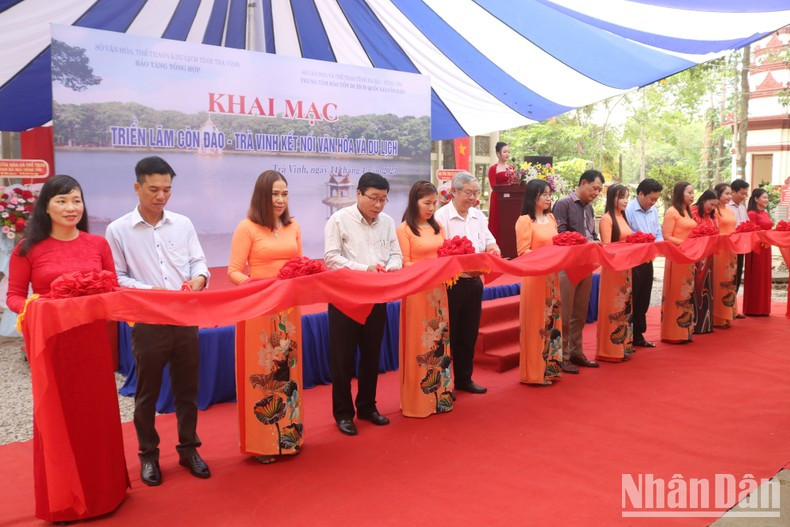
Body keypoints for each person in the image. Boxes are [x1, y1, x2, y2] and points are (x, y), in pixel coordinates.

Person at [8, 175, 128, 521]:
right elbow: (14, 296)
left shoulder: (97, 244)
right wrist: (36, 306)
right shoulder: (28, 248)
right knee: (58, 417)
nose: (71, 208)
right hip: (53, 348)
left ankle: (107, 493)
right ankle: (63, 498)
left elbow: (113, 290)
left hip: (92, 344)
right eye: (61, 201)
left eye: (76, 200)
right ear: (46, 206)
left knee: (97, 416)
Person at [105, 156, 210, 486]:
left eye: (167, 189)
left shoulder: (182, 224)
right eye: (153, 189)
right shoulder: (118, 229)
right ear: (137, 188)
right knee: (147, 394)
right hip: (147, 321)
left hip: (183, 317)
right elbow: (116, 277)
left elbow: (199, 262)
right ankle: (148, 456)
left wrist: (199, 280)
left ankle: (188, 448)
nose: (161, 196)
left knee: (187, 390)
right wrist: (150, 290)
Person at [228, 170, 303, 463]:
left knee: (288, 371)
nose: (280, 200)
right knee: (263, 376)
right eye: (274, 194)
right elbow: (234, 271)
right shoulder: (246, 228)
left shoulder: (293, 225)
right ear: (262, 195)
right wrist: (260, 289)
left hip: (289, 309)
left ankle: (290, 436)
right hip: (258, 310)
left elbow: (299, 263)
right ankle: (263, 443)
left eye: (284, 193)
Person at [324, 172, 403, 436]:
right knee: (342, 360)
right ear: (358, 194)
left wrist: (390, 269)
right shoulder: (338, 220)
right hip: (346, 301)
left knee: (371, 357)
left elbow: (396, 254)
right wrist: (365, 269)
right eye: (373, 198)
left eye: (383, 199)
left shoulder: (388, 222)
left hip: (375, 299)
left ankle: (368, 406)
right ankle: (344, 414)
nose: (378, 205)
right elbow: (331, 258)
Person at [434, 171, 501, 394]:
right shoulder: (441, 217)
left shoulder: (478, 216)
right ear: (453, 192)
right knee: (447, 336)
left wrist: (493, 249)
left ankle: (464, 379)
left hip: (474, 282)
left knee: (468, 334)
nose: (473, 197)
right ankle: (444, 384)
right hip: (451, 284)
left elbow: (489, 239)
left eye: (476, 193)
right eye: (468, 193)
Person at [395, 181, 453, 416]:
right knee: (421, 342)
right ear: (414, 202)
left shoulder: (437, 226)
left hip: (439, 290)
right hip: (417, 292)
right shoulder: (404, 230)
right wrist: (427, 270)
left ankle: (441, 395)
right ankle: (418, 400)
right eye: (426, 203)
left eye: (434, 203)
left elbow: (446, 253)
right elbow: (404, 262)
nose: (431, 208)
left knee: (440, 341)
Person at [551, 169, 604, 373]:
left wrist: (594, 241)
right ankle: (562, 356)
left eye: (599, 190)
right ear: (583, 182)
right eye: (594, 187)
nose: (596, 192)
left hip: (586, 264)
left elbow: (591, 232)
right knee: (565, 312)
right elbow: (561, 233)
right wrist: (585, 242)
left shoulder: (589, 208)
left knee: (580, 313)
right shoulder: (563, 204)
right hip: (567, 265)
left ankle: (576, 351)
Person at [514, 179, 562, 385]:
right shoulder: (525, 220)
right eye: (544, 194)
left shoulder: (551, 218)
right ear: (533, 197)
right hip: (535, 278)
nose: (548, 197)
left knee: (552, 321)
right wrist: (546, 258)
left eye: (549, 194)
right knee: (536, 324)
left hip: (552, 277)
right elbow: (523, 252)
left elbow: (558, 243)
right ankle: (534, 372)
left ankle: (550, 367)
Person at [596, 184, 634, 362]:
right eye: (622, 197)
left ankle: (622, 345)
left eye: (627, 196)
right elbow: (607, 247)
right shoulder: (607, 219)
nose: (626, 200)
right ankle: (610, 349)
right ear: (612, 199)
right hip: (613, 270)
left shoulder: (622, 217)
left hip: (626, 268)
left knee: (624, 307)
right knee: (614, 307)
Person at [624, 178, 663, 347]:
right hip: (633, 260)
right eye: (651, 199)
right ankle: (626, 336)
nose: (653, 203)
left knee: (644, 298)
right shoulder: (628, 209)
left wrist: (658, 245)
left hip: (649, 258)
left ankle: (638, 335)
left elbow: (658, 232)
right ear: (641, 194)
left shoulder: (653, 211)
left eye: (656, 200)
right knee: (632, 297)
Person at [660, 181, 697, 344]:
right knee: (676, 294)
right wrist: (685, 244)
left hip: (689, 257)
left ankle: (685, 330)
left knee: (687, 294)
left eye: (693, 192)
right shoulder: (672, 211)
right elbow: (667, 236)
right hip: (677, 257)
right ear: (680, 192)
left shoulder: (688, 212)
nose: (692, 195)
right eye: (689, 192)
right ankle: (673, 333)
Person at [691, 190, 718, 334]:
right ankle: (695, 323)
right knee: (695, 288)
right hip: (695, 255)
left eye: (715, 205)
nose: (712, 208)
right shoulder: (692, 212)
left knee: (707, 289)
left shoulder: (712, 216)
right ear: (703, 200)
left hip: (709, 256)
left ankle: (706, 323)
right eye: (711, 204)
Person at [743, 188, 774, 316]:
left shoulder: (765, 213)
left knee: (765, 276)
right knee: (756, 276)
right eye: (764, 197)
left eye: (767, 197)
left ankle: (764, 308)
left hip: (766, 247)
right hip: (756, 248)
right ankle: (754, 308)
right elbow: (752, 232)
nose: (766, 200)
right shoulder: (751, 214)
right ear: (756, 199)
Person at [713, 183, 737, 328]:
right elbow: (714, 230)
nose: (729, 196)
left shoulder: (729, 211)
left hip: (731, 249)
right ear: (718, 195)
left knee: (730, 281)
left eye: (730, 194)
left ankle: (728, 314)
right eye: (726, 194)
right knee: (720, 281)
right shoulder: (714, 211)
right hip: (720, 250)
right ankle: (718, 316)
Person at [726, 179, 750, 319]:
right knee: (728, 276)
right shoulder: (726, 208)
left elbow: (746, 223)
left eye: (746, 194)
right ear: (733, 191)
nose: (744, 196)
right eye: (742, 193)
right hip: (730, 246)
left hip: (741, 246)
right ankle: (726, 309)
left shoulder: (742, 207)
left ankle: (733, 308)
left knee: (737, 276)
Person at [487, 141, 513, 242]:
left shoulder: (512, 168)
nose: (507, 154)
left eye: (508, 152)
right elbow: (494, 186)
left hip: (511, 199)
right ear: (498, 154)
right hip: (498, 198)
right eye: (505, 152)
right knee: (497, 221)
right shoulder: (493, 168)